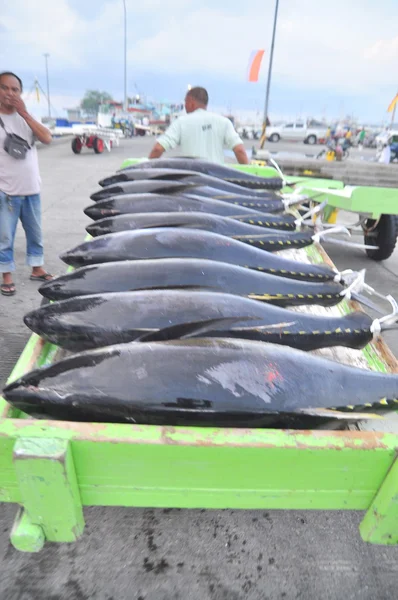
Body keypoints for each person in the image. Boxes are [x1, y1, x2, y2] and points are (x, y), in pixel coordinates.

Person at [0, 71, 52, 296]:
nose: (9, 93)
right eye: (4, 88)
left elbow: (47, 138)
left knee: (35, 233)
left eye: (15, 89)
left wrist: (24, 113)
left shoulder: (27, 117)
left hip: (32, 189)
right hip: (6, 191)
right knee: (5, 237)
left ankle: (37, 268)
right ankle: (6, 275)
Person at [149, 86, 249, 164]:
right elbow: (239, 151)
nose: (185, 106)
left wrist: (146, 170)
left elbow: (158, 148)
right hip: (216, 181)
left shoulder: (182, 122)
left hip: (191, 181)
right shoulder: (224, 122)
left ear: (192, 102)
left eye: (186, 102)